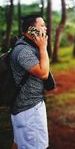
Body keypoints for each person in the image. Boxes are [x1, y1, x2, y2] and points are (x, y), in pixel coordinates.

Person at [10, 14, 50, 149]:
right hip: (29, 110)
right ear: (31, 30)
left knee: (19, 144)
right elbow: (44, 73)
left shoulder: (29, 47)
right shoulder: (23, 51)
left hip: (27, 107)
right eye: (42, 25)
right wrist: (43, 47)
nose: (46, 28)